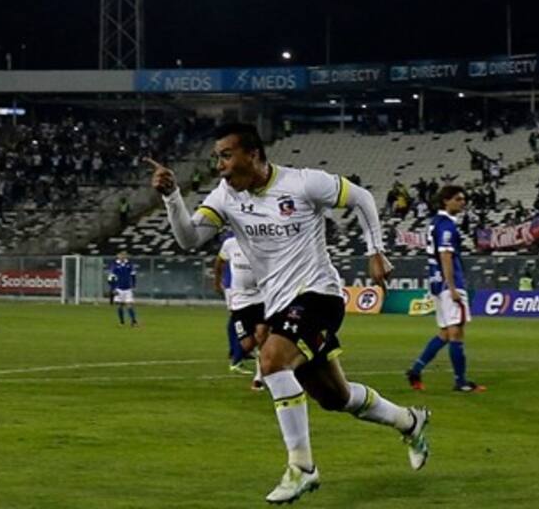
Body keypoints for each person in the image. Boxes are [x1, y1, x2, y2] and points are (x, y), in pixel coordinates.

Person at [146, 123, 430, 504]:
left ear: (253, 154)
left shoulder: (302, 184)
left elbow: (361, 197)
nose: (220, 166)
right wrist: (172, 197)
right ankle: (410, 421)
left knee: (271, 359)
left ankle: (302, 467)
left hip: (320, 294)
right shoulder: (226, 196)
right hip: (280, 305)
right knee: (336, 397)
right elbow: (189, 238)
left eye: (226, 156)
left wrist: (374, 251)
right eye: (217, 158)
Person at [406, 186, 486, 393]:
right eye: (458, 199)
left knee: (445, 333)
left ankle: (416, 370)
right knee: (456, 332)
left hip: (436, 282)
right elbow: (446, 255)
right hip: (449, 283)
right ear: (446, 201)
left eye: (463, 199)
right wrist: (452, 287)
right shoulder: (447, 225)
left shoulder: (435, 223)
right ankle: (461, 382)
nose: (462, 202)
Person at [214, 231, 267, 390]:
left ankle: (259, 378)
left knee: (261, 335)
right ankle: (240, 356)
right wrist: (217, 282)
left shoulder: (265, 244)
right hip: (240, 302)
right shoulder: (230, 244)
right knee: (247, 344)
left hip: (262, 299)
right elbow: (219, 262)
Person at [108, 250, 138, 326]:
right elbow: (111, 278)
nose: (123, 256)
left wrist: (134, 285)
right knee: (120, 306)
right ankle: (122, 322)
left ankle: (133, 321)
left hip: (128, 288)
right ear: (118, 256)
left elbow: (133, 275)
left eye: (124, 255)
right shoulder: (114, 265)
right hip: (118, 288)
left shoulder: (129, 264)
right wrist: (113, 288)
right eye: (121, 255)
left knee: (129, 305)